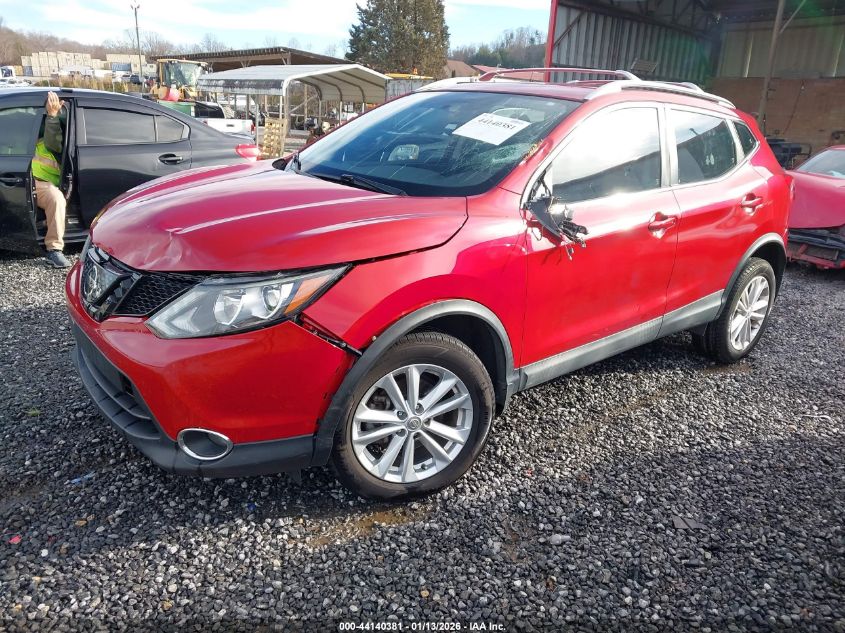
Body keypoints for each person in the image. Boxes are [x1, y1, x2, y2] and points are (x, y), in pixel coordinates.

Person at [32, 91, 69, 268]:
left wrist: (52, 116)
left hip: (41, 184)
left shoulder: (50, 143)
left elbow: (53, 140)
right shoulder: (24, 138)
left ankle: (54, 250)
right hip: (21, 179)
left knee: (56, 199)